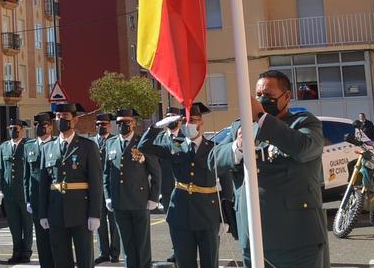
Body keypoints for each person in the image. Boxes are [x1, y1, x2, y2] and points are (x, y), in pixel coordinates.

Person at [212, 70, 327, 267]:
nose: (262, 100)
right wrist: (237, 146)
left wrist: (260, 116)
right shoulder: (241, 127)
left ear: (287, 96)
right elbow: (212, 160)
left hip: (296, 238)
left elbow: (303, 148)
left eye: (268, 96)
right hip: (253, 237)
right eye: (258, 95)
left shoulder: (303, 123)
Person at [144, 103, 226, 268]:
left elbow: (225, 181)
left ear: (201, 122)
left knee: (210, 262)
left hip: (207, 215)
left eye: (194, 120)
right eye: (187, 121)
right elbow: (144, 146)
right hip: (180, 214)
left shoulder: (214, 148)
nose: (191, 125)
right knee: (185, 263)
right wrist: (155, 126)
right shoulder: (176, 145)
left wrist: (225, 216)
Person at [37, 102, 102, 268]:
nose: (60, 120)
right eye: (58, 117)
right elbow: (44, 184)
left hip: (81, 211)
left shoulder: (87, 146)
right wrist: (43, 213)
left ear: (74, 121)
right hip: (56, 211)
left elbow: (96, 182)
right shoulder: (47, 148)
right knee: (60, 258)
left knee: (84, 258)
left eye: (65, 117)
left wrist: (95, 213)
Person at [103, 109, 161, 268]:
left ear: (134, 123)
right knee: (127, 245)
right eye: (119, 122)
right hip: (119, 201)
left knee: (142, 244)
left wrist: (154, 197)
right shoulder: (111, 143)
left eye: (126, 122)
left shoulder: (143, 143)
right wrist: (108, 196)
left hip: (139, 201)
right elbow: (106, 174)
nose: (123, 125)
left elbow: (156, 173)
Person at [0, 118, 33, 264]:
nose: (13, 130)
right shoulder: (3, 147)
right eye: (11, 128)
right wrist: (3, 191)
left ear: (22, 130)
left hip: (24, 192)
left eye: (16, 128)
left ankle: (26, 252)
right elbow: (2, 169)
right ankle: (16, 252)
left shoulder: (29, 145)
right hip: (9, 193)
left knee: (27, 224)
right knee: (14, 225)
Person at [23, 111, 56, 268]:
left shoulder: (56, 145)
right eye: (37, 125)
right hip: (36, 199)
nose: (40, 128)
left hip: (55, 199)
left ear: (50, 127)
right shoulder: (29, 146)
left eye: (43, 125)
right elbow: (26, 176)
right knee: (42, 242)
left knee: (57, 241)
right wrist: (27, 199)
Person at [91, 113, 120, 265]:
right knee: (99, 222)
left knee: (114, 222)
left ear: (110, 125)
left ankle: (115, 252)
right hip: (96, 189)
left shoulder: (115, 141)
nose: (101, 127)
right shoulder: (91, 142)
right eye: (98, 124)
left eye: (104, 124)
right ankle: (104, 252)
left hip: (112, 187)